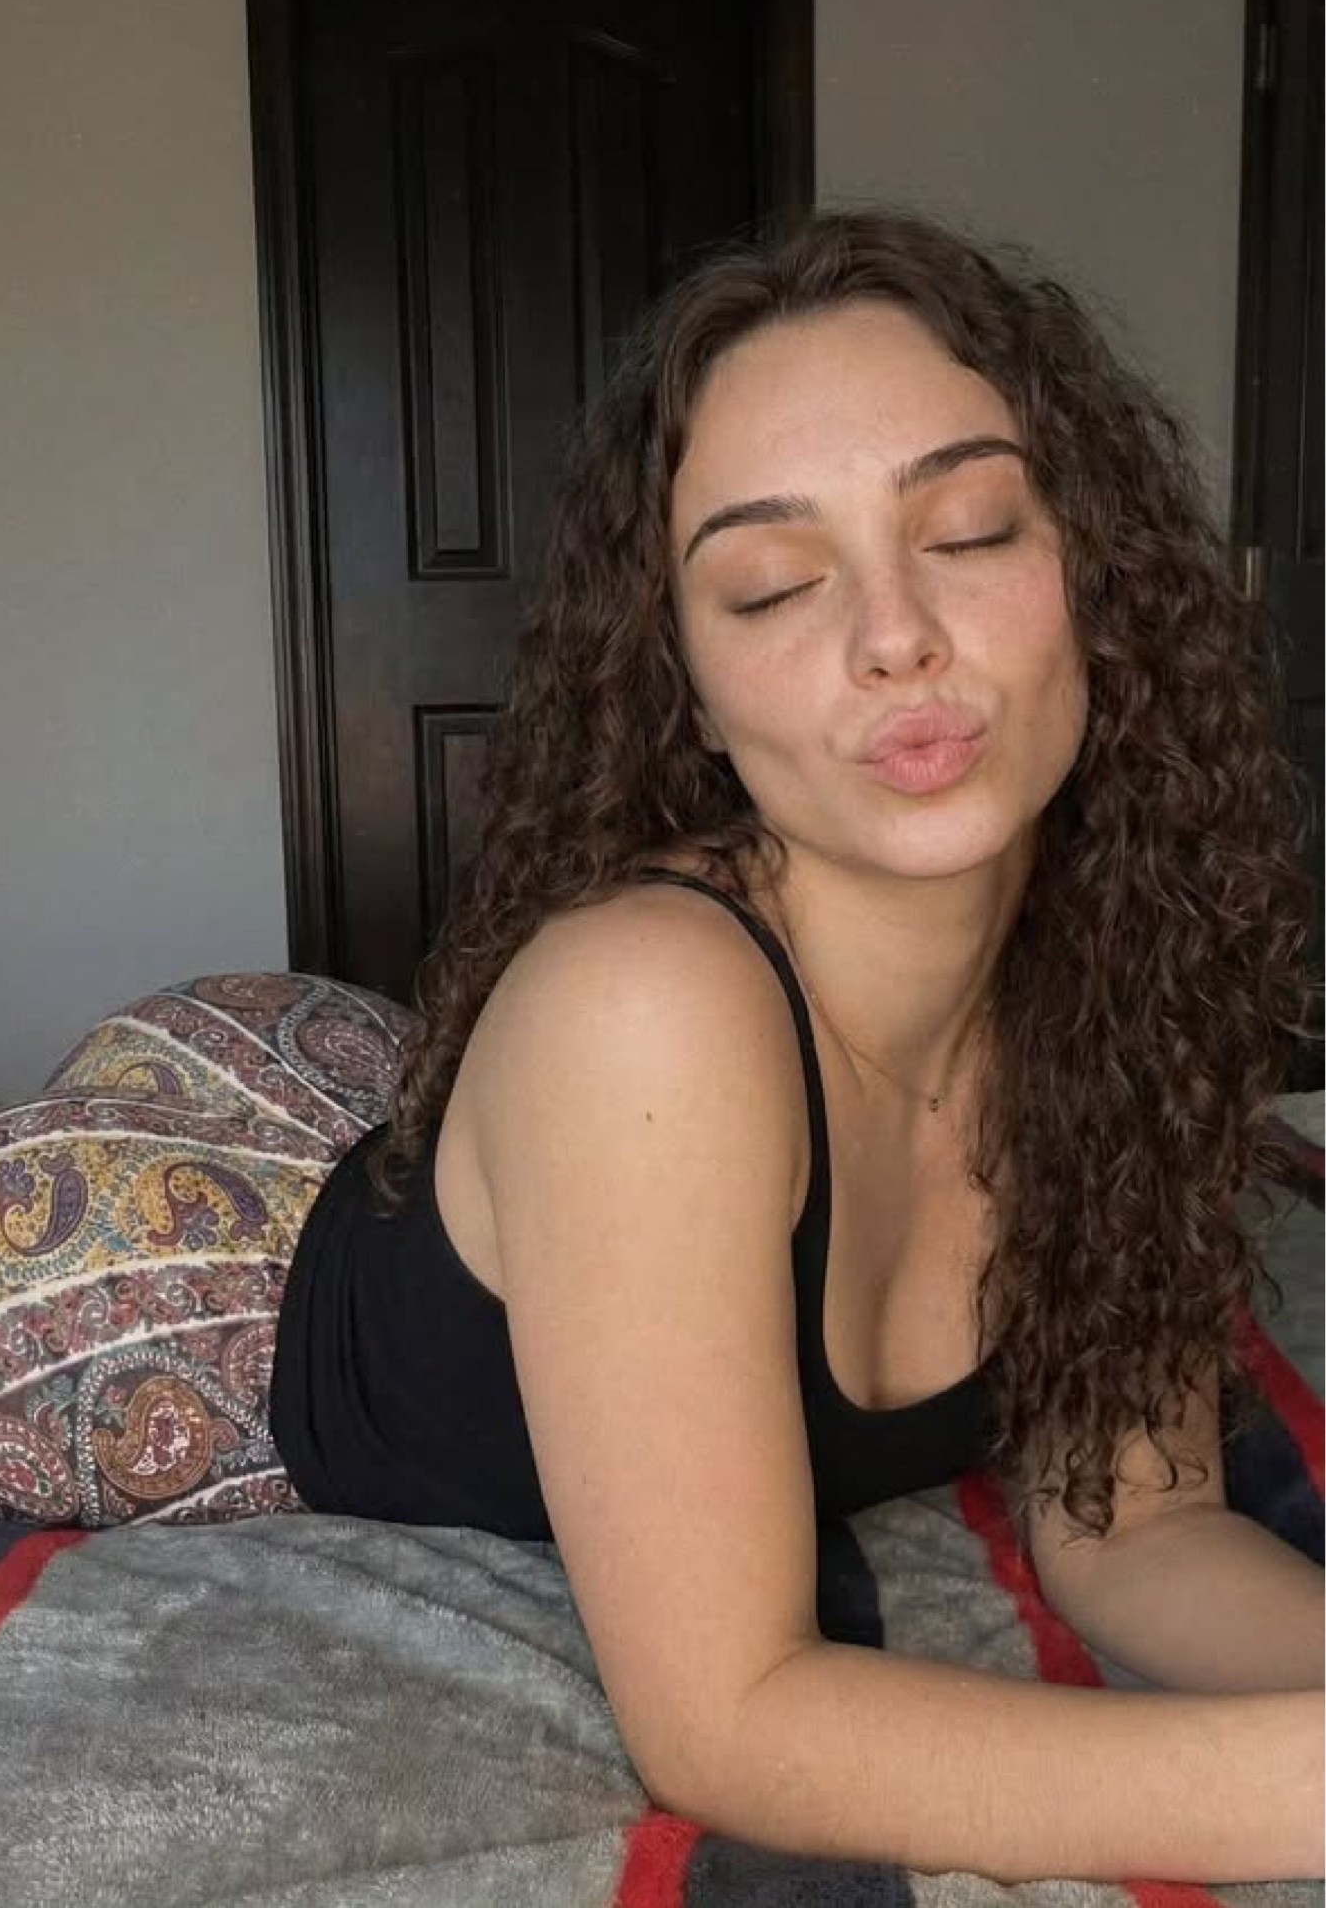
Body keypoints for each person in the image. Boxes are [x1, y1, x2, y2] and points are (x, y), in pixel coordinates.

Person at [269, 208, 1324, 1883]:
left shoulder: (1126, 981)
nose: (894, 633)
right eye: (772, 584)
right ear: (690, 691)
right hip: (222, 1242)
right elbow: (730, 1721)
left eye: (970, 530)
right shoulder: (643, 1014)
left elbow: (1140, 1530)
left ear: (1095, 574)